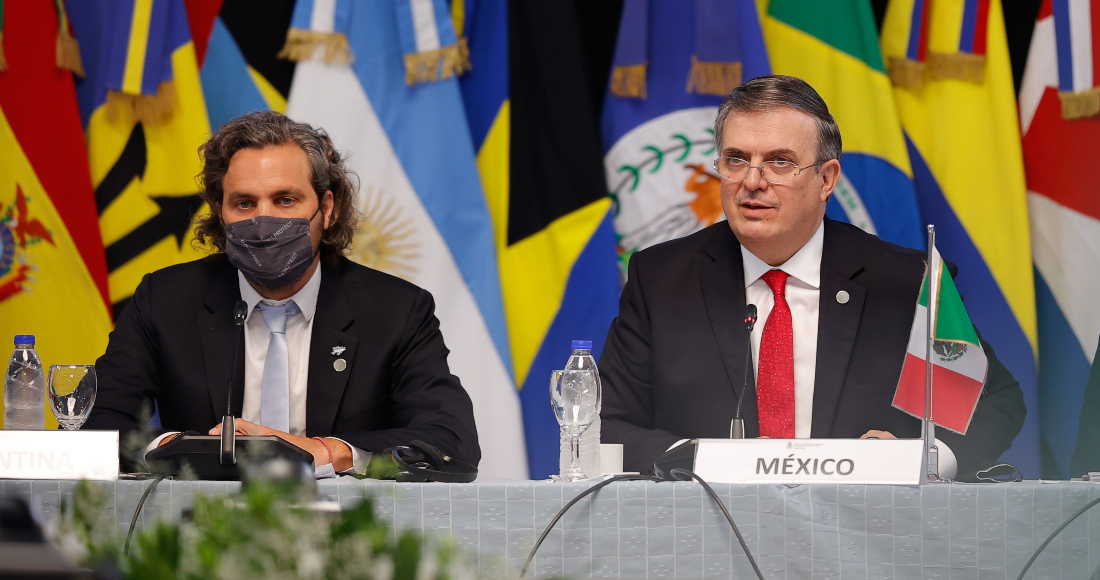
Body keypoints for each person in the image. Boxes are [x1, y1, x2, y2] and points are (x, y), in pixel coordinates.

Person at [598, 75, 1025, 477]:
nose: (752, 181)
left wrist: (919, 460)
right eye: (736, 160)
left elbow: (995, 403)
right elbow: (608, 422)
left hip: (867, 523)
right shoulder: (661, 280)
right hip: (706, 519)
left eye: (780, 162)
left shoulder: (906, 282)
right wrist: (704, 461)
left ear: (826, 179)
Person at [83, 111, 480, 476]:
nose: (263, 219)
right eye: (244, 203)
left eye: (285, 200)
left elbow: (451, 442)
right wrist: (184, 449)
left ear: (327, 208)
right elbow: (95, 423)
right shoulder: (167, 299)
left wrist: (324, 451)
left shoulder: (396, 310)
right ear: (220, 212)